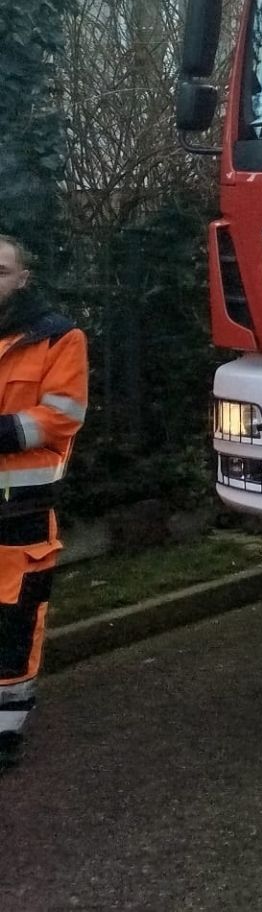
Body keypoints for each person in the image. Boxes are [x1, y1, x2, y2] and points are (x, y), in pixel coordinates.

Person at [0, 234, 88, 776]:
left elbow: (61, 416)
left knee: (12, 622)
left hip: (19, 512)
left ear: (23, 278)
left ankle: (5, 732)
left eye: (0, 270)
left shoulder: (58, 338)